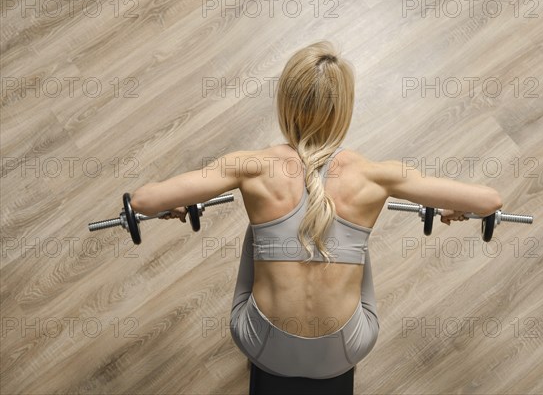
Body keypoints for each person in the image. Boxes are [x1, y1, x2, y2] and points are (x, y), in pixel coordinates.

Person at [129, 40, 503, 380]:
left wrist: (175, 204)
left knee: (259, 230)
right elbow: (489, 201)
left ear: (284, 103)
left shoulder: (250, 166)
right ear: (345, 109)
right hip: (346, 349)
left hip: (262, 346)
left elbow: (143, 201)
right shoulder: (378, 176)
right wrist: (453, 208)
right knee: (353, 238)